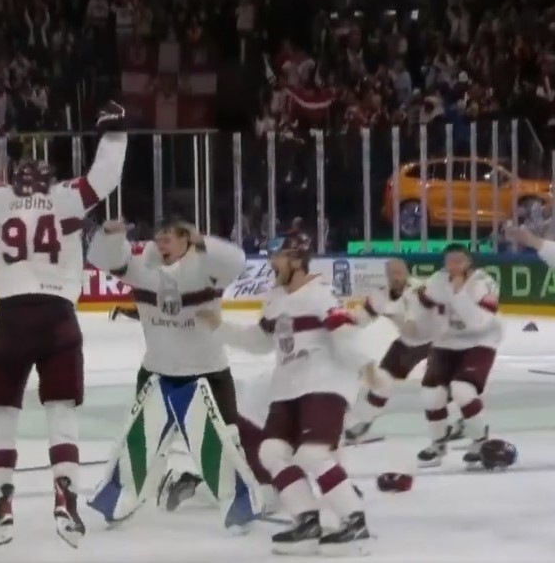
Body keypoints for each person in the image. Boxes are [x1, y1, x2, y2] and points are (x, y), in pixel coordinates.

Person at [0, 101, 127, 549]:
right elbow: (106, 176)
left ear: (13, 180)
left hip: (12, 316)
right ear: (49, 180)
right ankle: (67, 497)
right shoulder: (67, 196)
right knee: (61, 411)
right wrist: (114, 133)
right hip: (58, 314)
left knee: (1, 414)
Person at [86, 219, 271, 529]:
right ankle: (123, 496)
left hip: (207, 375)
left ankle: (240, 500)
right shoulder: (141, 265)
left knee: (225, 443)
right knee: (138, 441)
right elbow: (102, 259)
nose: (161, 245)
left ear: (186, 239)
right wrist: (109, 235)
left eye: (168, 239)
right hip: (157, 373)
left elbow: (237, 262)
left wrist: (202, 241)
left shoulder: (206, 266)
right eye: (158, 239)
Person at [203, 234, 371, 556]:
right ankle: (307, 520)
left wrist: (366, 367)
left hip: (324, 383)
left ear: (296, 259)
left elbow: (343, 330)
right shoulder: (276, 297)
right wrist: (218, 327)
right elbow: (261, 341)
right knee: (270, 453)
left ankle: (355, 521)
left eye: (277, 257)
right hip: (288, 387)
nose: (271, 263)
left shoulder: (321, 293)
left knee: (313, 454)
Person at [344, 258, 458, 444]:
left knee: (437, 387)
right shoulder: (379, 297)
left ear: (407, 272)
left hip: (436, 342)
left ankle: (455, 421)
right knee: (381, 382)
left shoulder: (422, 290)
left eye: (401, 272)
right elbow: (360, 319)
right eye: (394, 273)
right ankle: (360, 425)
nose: (398, 276)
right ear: (387, 275)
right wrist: (341, 322)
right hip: (406, 344)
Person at [413, 243, 504, 468]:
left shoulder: (484, 283)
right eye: (449, 260)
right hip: (445, 343)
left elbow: (477, 321)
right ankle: (438, 443)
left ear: (469, 262)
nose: (453, 265)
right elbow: (421, 305)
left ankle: (479, 441)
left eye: (459, 260)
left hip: (480, 341)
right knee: (431, 394)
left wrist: (458, 293)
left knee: (462, 390)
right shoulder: (437, 280)